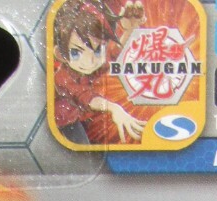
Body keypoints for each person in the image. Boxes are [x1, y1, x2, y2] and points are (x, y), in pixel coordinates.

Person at [52, 0, 146, 145]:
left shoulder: (87, 70)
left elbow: (112, 56)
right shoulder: (62, 77)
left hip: (80, 118)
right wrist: (113, 108)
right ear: (60, 54)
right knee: (82, 150)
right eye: (76, 52)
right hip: (62, 125)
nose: (89, 61)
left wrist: (129, 31)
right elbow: (86, 97)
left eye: (97, 51)